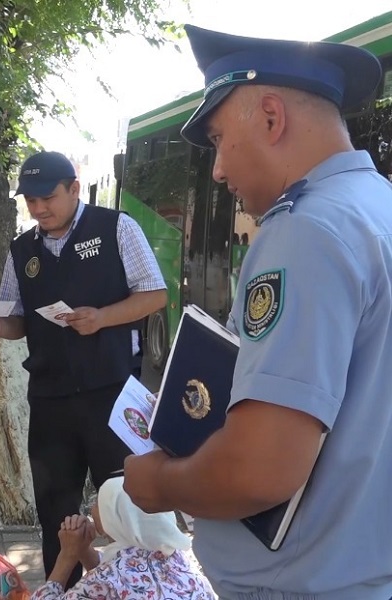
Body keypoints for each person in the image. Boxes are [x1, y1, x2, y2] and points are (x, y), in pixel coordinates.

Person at [123, 25, 392, 600]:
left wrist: (158, 484)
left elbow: (259, 469)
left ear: (271, 117)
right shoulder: (379, 210)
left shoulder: (305, 230)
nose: (217, 170)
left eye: (219, 139)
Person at [0, 151, 167, 586]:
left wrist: (102, 317)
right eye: (30, 201)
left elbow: (154, 294)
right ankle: (67, 591)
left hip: (113, 394)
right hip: (50, 401)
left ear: (74, 189)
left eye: (48, 197)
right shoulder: (22, 250)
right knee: (56, 516)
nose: (39, 208)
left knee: (129, 507)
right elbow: (18, 318)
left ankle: (136, 590)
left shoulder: (116, 227)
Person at [32, 477, 214, 599]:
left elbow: (110, 579)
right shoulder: (179, 558)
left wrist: (67, 556)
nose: (92, 509)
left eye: (99, 502)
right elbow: (123, 572)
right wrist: (83, 550)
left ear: (116, 519)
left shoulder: (103, 581)